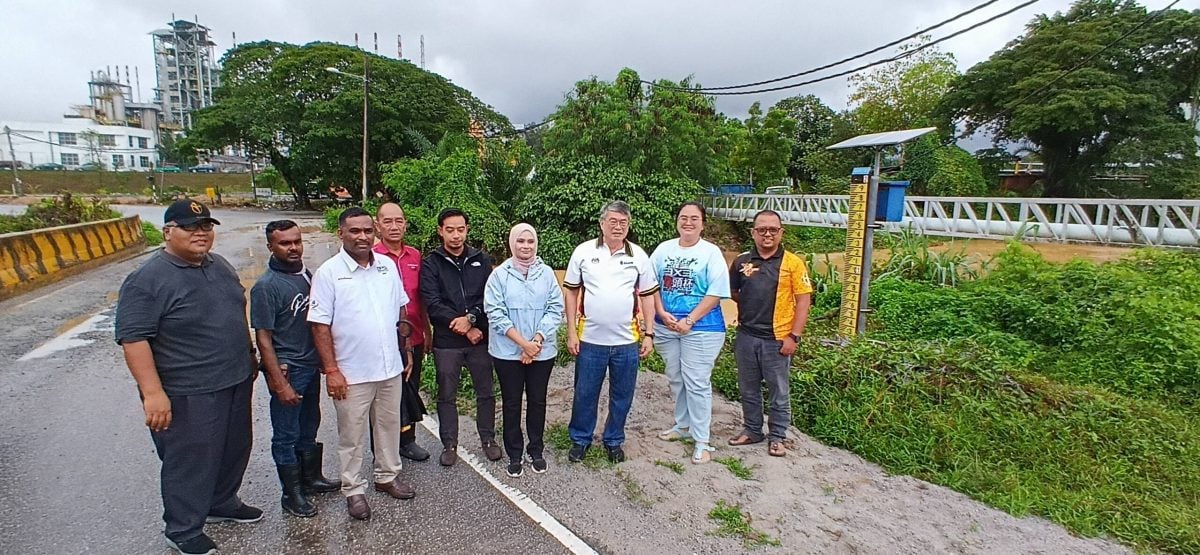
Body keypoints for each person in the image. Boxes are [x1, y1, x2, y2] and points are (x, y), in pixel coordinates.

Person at [115, 200, 261, 555]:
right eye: (191, 227)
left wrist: (249, 355)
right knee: (191, 459)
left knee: (233, 448)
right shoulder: (147, 280)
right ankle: (182, 528)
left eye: (206, 226)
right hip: (187, 390)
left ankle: (221, 502)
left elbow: (234, 314)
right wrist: (153, 394)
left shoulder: (219, 265)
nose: (201, 233)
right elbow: (134, 339)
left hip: (234, 379)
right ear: (168, 232)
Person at [308, 207, 415, 521]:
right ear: (341, 233)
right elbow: (319, 325)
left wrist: (405, 348)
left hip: (388, 369)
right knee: (351, 435)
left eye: (368, 230)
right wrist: (331, 371)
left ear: (375, 232)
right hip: (351, 373)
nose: (362, 237)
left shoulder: (385, 267)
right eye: (355, 231)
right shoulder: (329, 272)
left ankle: (387, 476)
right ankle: (354, 490)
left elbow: (401, 311)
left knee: (388, 426)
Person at [250, 220, 340, 519]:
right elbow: (263, 338)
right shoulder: (266, 287)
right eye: (284, 243)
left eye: (296, 241)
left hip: (310, 366)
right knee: (285, 434)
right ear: (271, 247)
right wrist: (278, 381)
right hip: (288, 370)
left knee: (309, 425)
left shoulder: (306, 275)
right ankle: (292, 494)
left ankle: (310, 479)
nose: (293, 247)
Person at [563, 200, 659, 464]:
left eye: (623, 222)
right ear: (601, 223)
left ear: (629, 226)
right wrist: (571, 330)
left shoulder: (638, 255)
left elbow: (649, 296)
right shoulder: (583, 252)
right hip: (590, 340)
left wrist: (649, 333)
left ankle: (614, 440)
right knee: (585, 392)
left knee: (622, 395)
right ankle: (581, 439)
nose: (618, 227)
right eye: (613, 221)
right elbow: (571, 291)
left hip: (627, 342)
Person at [727, 210, 813, 457]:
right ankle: (752, 430)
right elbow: (733, 292)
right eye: (762, 229)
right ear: (753, 232)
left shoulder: (793, 263)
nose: (767, 234)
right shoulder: (742, 261)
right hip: (746, 336)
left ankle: (777, 436)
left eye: (773, 230)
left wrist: (793, 336)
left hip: (778, 340)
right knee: (748, 388)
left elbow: (804, 301)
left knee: (779, 391)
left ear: (781, 232)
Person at [650, 202, 731, 464]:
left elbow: (716, 292)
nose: (688, 222)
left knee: (696, 381)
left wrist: (690, 320)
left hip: (702, 328)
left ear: (703, 223)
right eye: (683, 218)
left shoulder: (711, 252)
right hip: (666, 325)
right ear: (677, 221)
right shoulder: (664, 249)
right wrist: (661, 313)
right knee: (676, 377)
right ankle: (683, 426)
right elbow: (650, 285)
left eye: (694, 218)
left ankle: (702, 440)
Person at [419, 208, 500, 466]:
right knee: (446, 395)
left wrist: (473, 319)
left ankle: (488, 439)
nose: (456, 235)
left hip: (479, 339)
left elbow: (489, 297)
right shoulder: (431, 263)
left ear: (467, 229)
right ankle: (449, 443)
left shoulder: (481, 259)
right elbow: (432, 302)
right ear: (440, 230)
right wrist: (464, 325)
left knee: (485, 392)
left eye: (461, 229)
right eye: (450, 229)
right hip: (447, 342)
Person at [484, 223, 564, 477]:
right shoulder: (499, 275)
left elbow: (555, 308)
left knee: (538, 401)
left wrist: (536, 341)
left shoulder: (547, 273)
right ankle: (515, 452)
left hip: (542, 351)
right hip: (508, 352)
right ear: (512, 243)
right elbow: (495, 313)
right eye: (521, 241)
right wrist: (523, 344)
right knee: (511, 402)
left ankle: (535, 449)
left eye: (530, 241)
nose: (526, 246)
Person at [373, 203, 431, 462]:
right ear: (378, 225)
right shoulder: (370, 256)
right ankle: (382, 449)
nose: (394, 226)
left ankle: (408, 441)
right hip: (382, 341)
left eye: (399, 221)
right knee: (382, 397)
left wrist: (428, 332)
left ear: (405, 224)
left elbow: (423, 298)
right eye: (388, 221)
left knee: (410, 390)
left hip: (415, 336)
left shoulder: (416, 257)